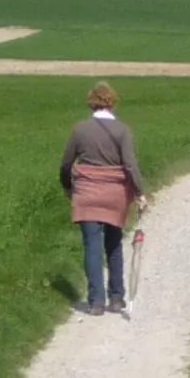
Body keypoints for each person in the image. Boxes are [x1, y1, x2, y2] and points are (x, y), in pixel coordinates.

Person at [60, 82, 147, 316]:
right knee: (114, 243)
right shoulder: (122, 130)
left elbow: (66, 164)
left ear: (91, 102)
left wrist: (68, 187)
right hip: (115, 195)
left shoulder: (80, 130)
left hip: (86, 194)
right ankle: (117, 297)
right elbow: (130, 164)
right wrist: (140, 192)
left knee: (92, 247)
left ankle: (96, 302)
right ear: (113, 102)